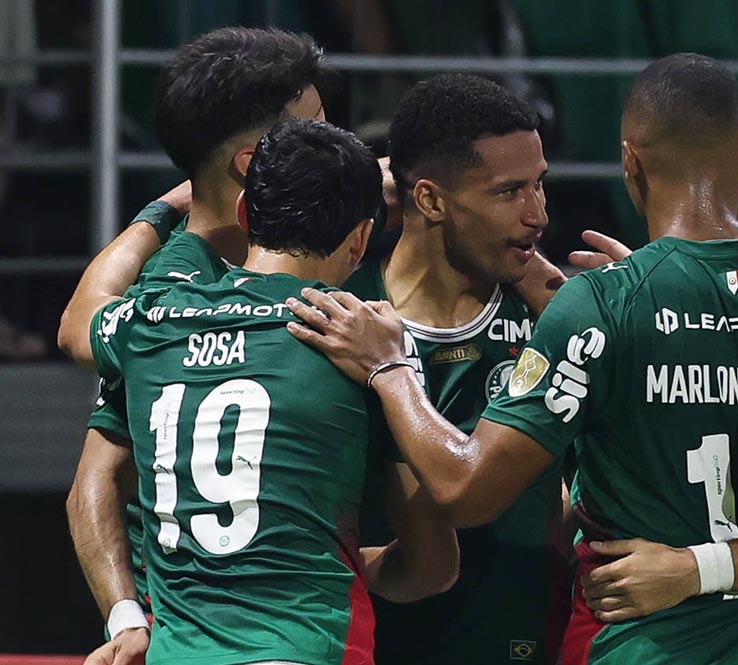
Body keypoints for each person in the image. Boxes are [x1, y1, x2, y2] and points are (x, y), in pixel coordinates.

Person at [286, 53, 738, 665]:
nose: (536, 213)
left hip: (639, 644)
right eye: (512, 192)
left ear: (629, 163)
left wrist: (393, 369)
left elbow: (466, 490)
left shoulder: (602, 305)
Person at [84, 118, 458, 665]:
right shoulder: (363, 341)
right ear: (360, 238)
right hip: (307, 646)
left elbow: (83, 318)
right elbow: (432, 567)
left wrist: (165, 207)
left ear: (245, 213)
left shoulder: (153, 319)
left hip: (176, 653)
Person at [58, 26, 333, 661]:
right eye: (316, 127)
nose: (335, 140)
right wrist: (125, 619)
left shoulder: (338, 224)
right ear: (252, 162)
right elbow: (95, 479)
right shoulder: (167, 292)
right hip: (202, 633)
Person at [344, 73, 569, 665]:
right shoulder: (344, 317)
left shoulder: (553, 313)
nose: (538, 214)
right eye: (509, 192)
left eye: (539, 184)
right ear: (429, 200)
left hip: (524, 644)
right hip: (376, 646)